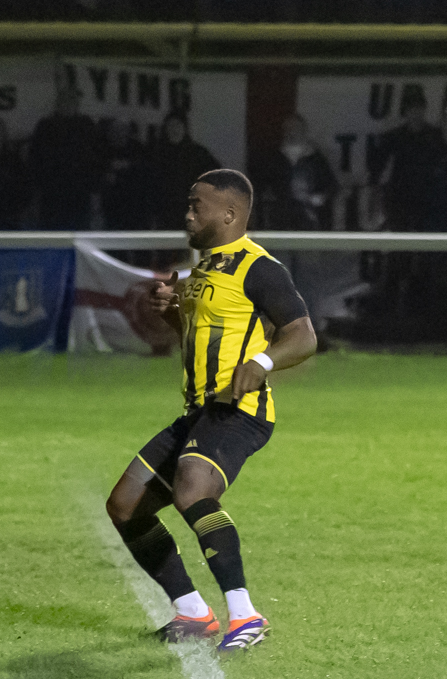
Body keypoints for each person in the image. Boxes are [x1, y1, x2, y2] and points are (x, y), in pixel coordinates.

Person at [103, 169, 316, 652]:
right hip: (199, 412)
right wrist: (173, 314)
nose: (188, 214)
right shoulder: (203, 270)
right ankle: (193, 613)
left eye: (197, 206)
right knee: (125, 505)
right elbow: (198, 337)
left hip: (239, 410)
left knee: (193, 488)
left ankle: (246, 616)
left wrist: (261, 363)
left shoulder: (259, 268)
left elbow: (303, 335)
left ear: (230, 214)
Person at [28, 86, 102, 228]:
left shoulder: (86, 125)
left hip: (79, 192)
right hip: (52, 193)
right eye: (64, 101)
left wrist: (95, 191)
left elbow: (95, 160)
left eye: (72, 101)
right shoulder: (45, 126)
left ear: (77, 104)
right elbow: (35, 161)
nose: (68, 105)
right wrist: (36, 193)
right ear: (58, 103)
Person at [253, 114, 337, 231]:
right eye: (288, 128)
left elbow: (331, 185)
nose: (292, 132)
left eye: (296, 128)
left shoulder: (316, 159)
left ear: (303, 130)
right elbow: (261, 185)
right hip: (281, 215)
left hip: (310, 215)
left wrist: (321, 197)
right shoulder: (273, 159)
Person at [375, 95, 446, 231]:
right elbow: (379, 165)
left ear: (424, 110)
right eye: (412, 109)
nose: (415, 113)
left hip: (427, 194)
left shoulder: (436, 136)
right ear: (406, 111)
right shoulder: (394, 136)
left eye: (419, 108)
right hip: (401, 193)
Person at [146, 112, 220, 223]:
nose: (174, 130)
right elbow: (150, 185)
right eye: (171, 126)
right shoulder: (156, 154)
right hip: (164, 213)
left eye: (178, 126)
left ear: (185, 128)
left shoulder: (198, 154)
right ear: (165, 129)